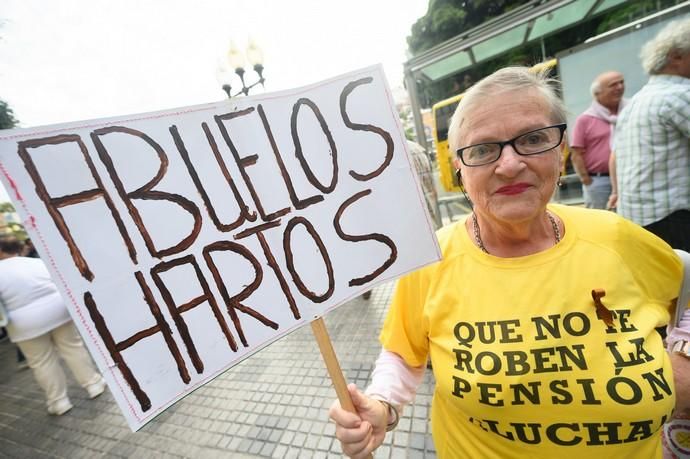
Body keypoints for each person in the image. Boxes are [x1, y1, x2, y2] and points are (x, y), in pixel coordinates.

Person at [329, 66, 689, 458]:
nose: (510, 164)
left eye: (533, 139)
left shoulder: (617, 238)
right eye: (483, 149)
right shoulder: (433, 258)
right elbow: (403, 351)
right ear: (459, 170)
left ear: (561, 149)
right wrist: (382, 406)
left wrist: (683, 357)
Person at [0, 235, 107, 416]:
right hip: (57, 309)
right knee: (73, 348)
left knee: (41, 361)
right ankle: (93, 384)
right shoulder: (35, 263)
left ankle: (59, 402)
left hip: (23, 323)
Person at [609, 18, 690, 251]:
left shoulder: (635, 102)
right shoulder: (679, 94)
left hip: (638, 218)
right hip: (673, 217)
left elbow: (614, 156)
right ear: (676, 56)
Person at [569, 70, 625, 209]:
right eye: (613, 85)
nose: (619, 87)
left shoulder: (630, 110)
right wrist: (586, 180)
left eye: (621, 82)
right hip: (599, 182)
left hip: (627, 176)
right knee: (602, 220)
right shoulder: (585, 119)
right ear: (597, 94)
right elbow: (576, 154)